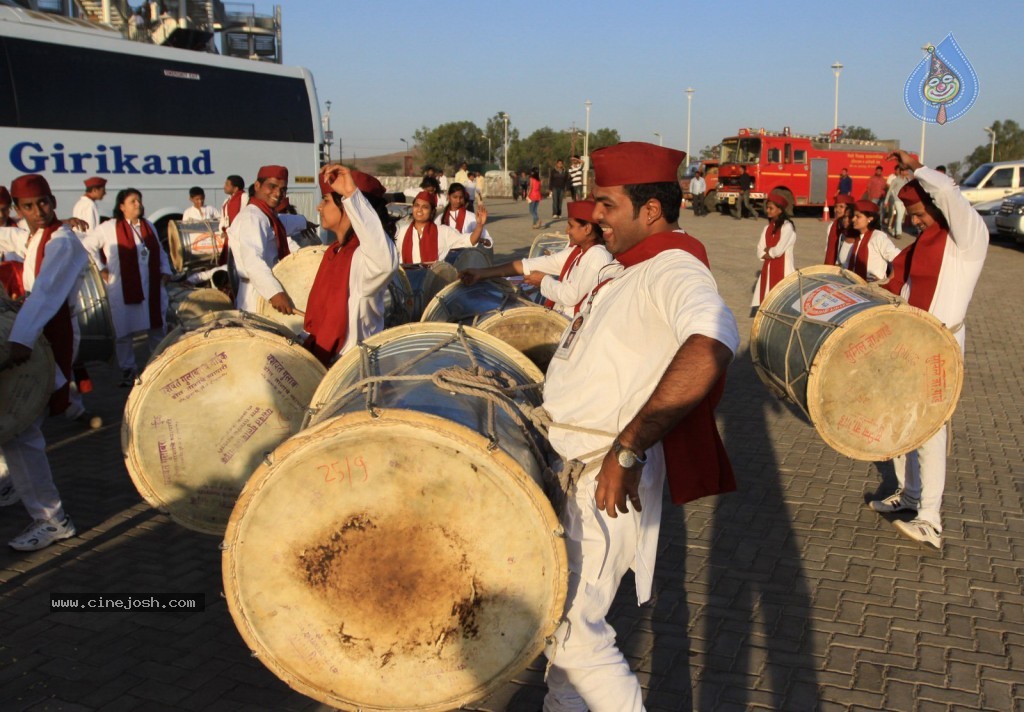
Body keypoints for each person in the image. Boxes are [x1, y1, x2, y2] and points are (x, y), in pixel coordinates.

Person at [540, 142, 739, 711]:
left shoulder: (674, 268)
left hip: (603, 479)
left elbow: (712, 342)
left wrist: (627, 450)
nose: (595, 215)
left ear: (651, 211)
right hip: (574, 469)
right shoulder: (631, 268)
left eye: (606, 204)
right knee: (562, 628)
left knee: (578, 634)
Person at [868, 150, 989, 548]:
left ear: (937, 205)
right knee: (906, 423)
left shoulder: (968, 238)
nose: (915, 222)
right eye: (912, 216)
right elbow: (903, 289)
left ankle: (930, 520)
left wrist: (915, 167)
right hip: (911, 342)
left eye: (920, 213)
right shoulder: (922, 246)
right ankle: (911, 494)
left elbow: (950, 193)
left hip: (942, 344)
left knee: (931, 430)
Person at [0, 174, 89, 550]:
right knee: (19, 431)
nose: (39, 212)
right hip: (37, 336)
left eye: (44, 203)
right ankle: (23, 492)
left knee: (22, 432)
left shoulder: (63, 240)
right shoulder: (37, 236)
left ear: (53, 200)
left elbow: (48, 293)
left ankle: (52, 519)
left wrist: (19, 340)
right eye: (29, 206)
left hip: (47, 340)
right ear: (18, 210)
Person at [301, 165, 398, 366]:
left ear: (347, 208)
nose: (319, 207)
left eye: (326, 200)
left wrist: (350, 194)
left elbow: (385, 263)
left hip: (354, 366)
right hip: (326, 360)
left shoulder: (363, 258)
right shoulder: (334, 252)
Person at [459, 199, 613, 317]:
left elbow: (570, 296)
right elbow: (527, 265)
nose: (567, 231)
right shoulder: (577, 253)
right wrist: (481, 273)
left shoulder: (598, 255)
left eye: (570, 226)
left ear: (586, 228)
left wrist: (543, 280)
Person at [82, 188, 172, 386]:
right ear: (121, 206)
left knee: (157, 329)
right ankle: (128, 370)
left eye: (139, 200)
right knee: (124, 332)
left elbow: (161, 251)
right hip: (123, 288)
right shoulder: (109, 227)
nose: (138, 204)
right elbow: (88, 245)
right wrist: (101, 268)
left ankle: (158, 367)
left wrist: (165, 270)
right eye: (133, 201)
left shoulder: (148, 226)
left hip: (151, 288)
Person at [226, 165, 311, 314]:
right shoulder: (252, 217)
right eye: (272, 186)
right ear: (257, 186)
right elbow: (252, 261)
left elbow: (280, 223)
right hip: (257, 294)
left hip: (264, 289)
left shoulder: (265, 214)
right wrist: (275, 293)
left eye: (283, 189)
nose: (278, 193)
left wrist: (304, 222)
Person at [394, 190, 487, 263]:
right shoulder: (401, 229)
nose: (419, 209)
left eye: (425, 207)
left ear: (432, 212)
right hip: (405, 283)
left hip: (433, 282)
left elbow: (469, 240)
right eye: (416, 205)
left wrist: (479, 225)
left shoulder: (443, 231)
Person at [751, 192, 796, 309]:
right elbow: (759, 252)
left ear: (780, 210)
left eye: (771, 208)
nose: (768, 210)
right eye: (767, 208)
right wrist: (769, 253)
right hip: (768, 269)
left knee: (782, 302)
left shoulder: (787, 227)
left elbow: (778, 251)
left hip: (784, 269)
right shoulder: (767, 228)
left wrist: (769, 251)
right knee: (768, 303)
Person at [840, 201, 900, 282]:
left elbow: (899, 259)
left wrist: (887, 282)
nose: (853, 219)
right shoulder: (858, 238)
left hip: (873, 289)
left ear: (870, 219)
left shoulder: (878, 236)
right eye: (854, 216)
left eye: (858, 216)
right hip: (856, 286)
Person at [436, 183, 493, 250]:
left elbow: (488, 240)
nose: (458, 201)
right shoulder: (440, 218)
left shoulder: (471, 217)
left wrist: (478, 239)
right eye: (455, 197)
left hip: (465, 256)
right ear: (448, 197)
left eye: (461, 197)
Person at [823, 195, 855, 265]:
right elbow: (828, 249)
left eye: (841, 207)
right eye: (836, 207)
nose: (837, 210)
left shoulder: (855, 228)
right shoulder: (832, 226)